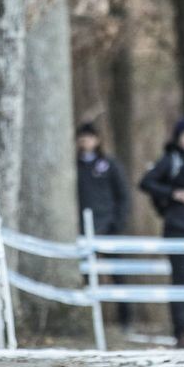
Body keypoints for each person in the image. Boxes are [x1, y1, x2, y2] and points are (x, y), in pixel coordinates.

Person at [139, 118, 184, 349]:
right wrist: (175, 194)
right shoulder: (170, 160)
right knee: (181, 281)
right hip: (178, 228)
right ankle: (180, 333)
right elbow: (146, 183)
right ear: (179, 139)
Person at [75, 121, 133, 328]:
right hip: (82, 228)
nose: (85, 142)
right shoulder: (74, 166)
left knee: (117, 273)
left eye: (89, 138)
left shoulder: (110, 165)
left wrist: (117, 223)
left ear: (97, 140)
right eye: (81, 138)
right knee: (85, 274)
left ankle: (125, 319)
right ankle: (88, 318)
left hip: (108, 226)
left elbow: (123, 196)